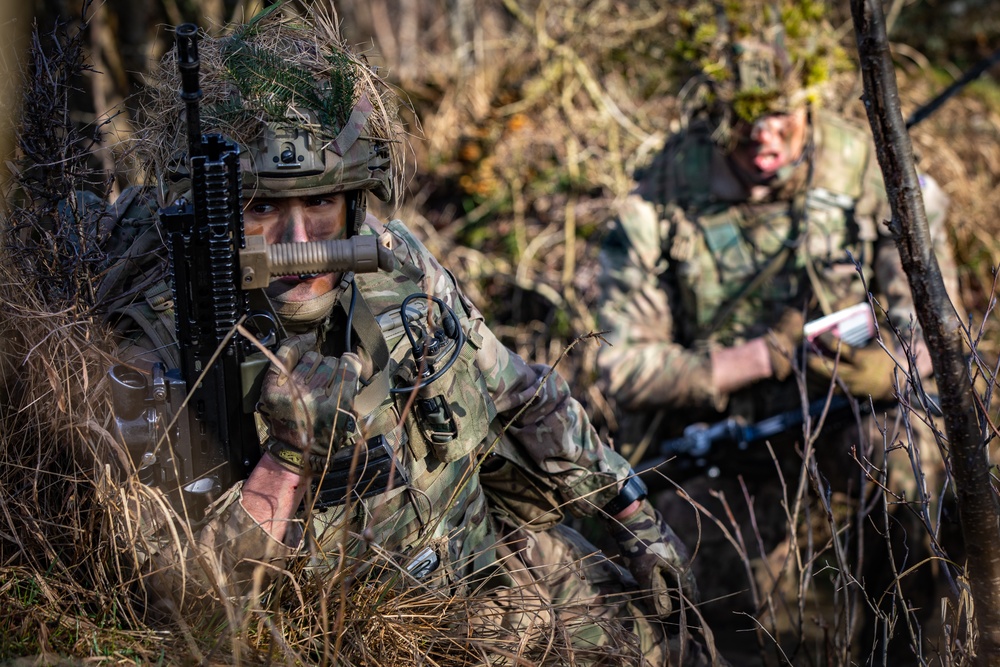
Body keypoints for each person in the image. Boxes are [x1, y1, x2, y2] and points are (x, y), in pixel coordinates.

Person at [98, 6, 727, 665]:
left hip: (499, 586)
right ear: (218, 214)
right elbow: (186, 604)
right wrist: (285, 458)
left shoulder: (395, 268)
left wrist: (634, 518)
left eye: (319, 202)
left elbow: (524, 394)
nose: (300, 243)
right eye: (262, 208)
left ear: (353, 201)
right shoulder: (162, 355)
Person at [594, 5, 959, 663]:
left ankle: (908, 647)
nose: (764, 133)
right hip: (715, 449)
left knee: (909, 460)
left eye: (781, 111)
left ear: (811, 102)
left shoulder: (866, 172)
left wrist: (891, 368)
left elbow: (941, 325)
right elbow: (621, 366)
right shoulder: (662, 196)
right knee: (735, 609)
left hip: (841, 429)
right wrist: (761, 356)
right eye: (743, 114)